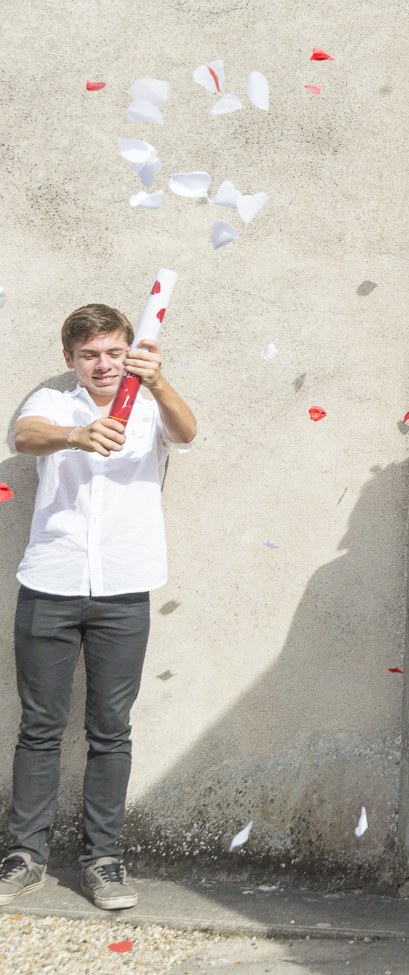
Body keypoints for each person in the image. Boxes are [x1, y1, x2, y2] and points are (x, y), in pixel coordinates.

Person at [0, 304, 195, 912]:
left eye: (113, 352)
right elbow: (22, 437)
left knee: (111, 730)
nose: (103, 363)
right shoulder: (56, 403)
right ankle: (24, 855)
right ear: (71, 359)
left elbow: (187, 433)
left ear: (128, 352)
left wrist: (158, 381)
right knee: (40, 727)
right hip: (50, 583)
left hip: (123, 589)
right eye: (89, 354)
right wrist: (76, 436)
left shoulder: (150, 406)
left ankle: (103, 860)